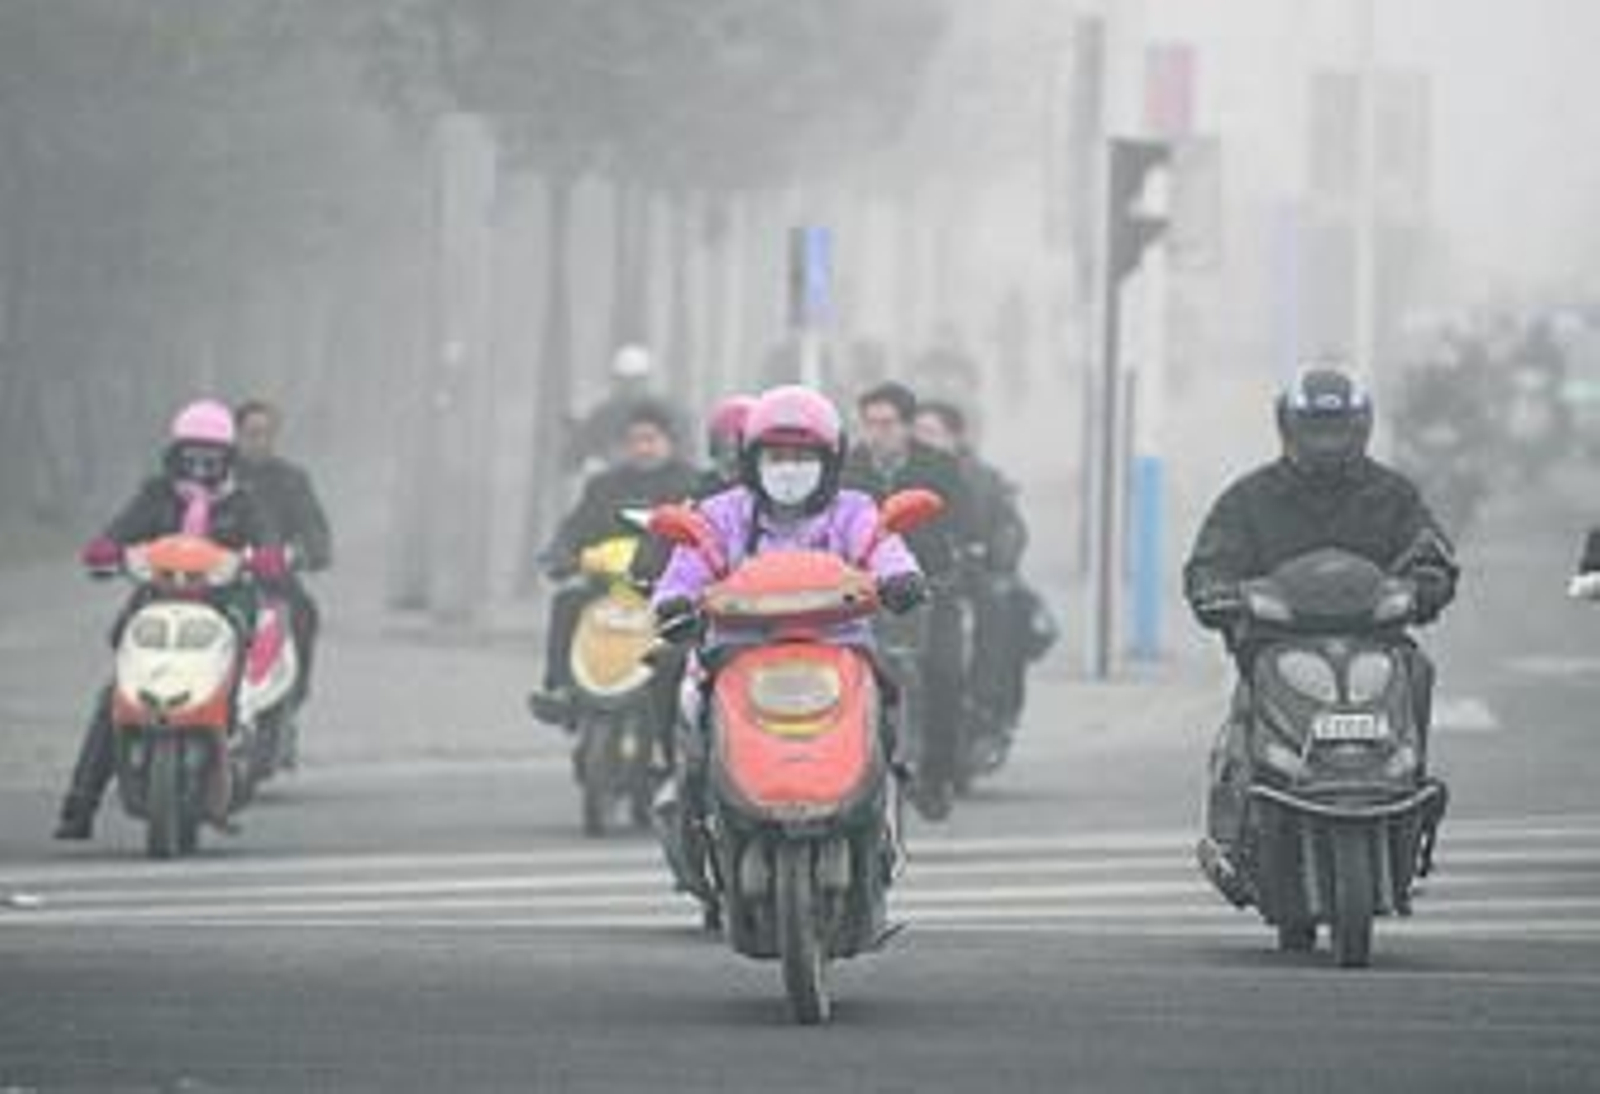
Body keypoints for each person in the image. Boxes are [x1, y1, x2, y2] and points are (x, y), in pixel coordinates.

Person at [1183, 365, 1459, 903]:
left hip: (1376, 642)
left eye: (1338, 429)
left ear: (1361, 429)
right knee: (1251, 692)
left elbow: (1430, 548)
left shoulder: (1393, 494)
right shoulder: (1248, 499)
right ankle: (1238, 824)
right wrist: (1215, 590)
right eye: (1316, 429)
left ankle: (1407, 792)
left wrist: (1430, 580)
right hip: (1275, 644)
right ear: (1288, 429)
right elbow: (1208, 563)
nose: (1327, 442)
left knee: (1418, 669)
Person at [650, 385, 927, 835]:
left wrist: (900, 578)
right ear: (751, 462)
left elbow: (882, 545)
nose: (789, 469)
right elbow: (690, 562)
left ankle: (885, 798)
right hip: (737, 647)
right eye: (776, 457)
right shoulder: (721, 515)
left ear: (830, 461)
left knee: (891, 687)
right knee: (689, 698)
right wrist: (674, 600)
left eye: (803, 457)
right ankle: (690, 796)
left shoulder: (852, 511)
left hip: (840, 645)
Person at [55, 400, 287, 840]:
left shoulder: (244, 502)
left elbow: (267, 541)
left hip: (224, 605)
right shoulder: (156, 494)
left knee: (237, 673)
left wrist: (269, 557)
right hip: (156, 605)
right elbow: (120, 530)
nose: (200, 466)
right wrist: (106, 548)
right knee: (113, 696)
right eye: (191, 456)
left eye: (212, 458)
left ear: (227, 459)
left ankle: (233, 749)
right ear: (176, 455)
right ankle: (79, 804)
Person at [842, 382, 976, 816]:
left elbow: (962, 526)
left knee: (945, 676)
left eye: (887, 424)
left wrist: (952, 569)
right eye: (870, 424)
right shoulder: (846, 470)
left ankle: (937, 775)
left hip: (930, 591)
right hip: (861, 593)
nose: (878, 433)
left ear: (907, 428)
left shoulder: (940, 468)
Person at [529, 399, 700, 726]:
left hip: (666, 594)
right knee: (567, 602)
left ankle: (689, 704)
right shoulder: (604, 486)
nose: (643, 448)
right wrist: (559, 554)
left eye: (651, 440)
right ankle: (562, 689)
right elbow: (575, 528)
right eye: (636, 441)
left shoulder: (691, 485)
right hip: (607, 592)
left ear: (669, 442)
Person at [914, 400, 1053, 743]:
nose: (923, 441)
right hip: (914, 578)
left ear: (955, 437)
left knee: (1005, 608)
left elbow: (1010, 527)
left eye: (932, 433)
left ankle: (988, 703)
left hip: (970, 575)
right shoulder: (901, 477)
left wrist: (993, 553)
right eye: (917, 434)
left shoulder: (983, 479)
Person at [234, 400, 331, 724]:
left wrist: (302, 553)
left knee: (303, 614)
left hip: (273, 583)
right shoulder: (218, 479)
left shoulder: (292, 480)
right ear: (236, 435)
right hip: (216, 581)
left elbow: (316, 531)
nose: (258, 441)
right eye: (251, 433)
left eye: (266, 434)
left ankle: (292, 695)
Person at [565, 344, 687, 471]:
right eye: (624, 381)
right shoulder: (604, 414)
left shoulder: (671, 412)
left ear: (647, 380)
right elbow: (578, 454)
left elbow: (684, 453)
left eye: (636, 380)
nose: (630, 386)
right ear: (616, 381)